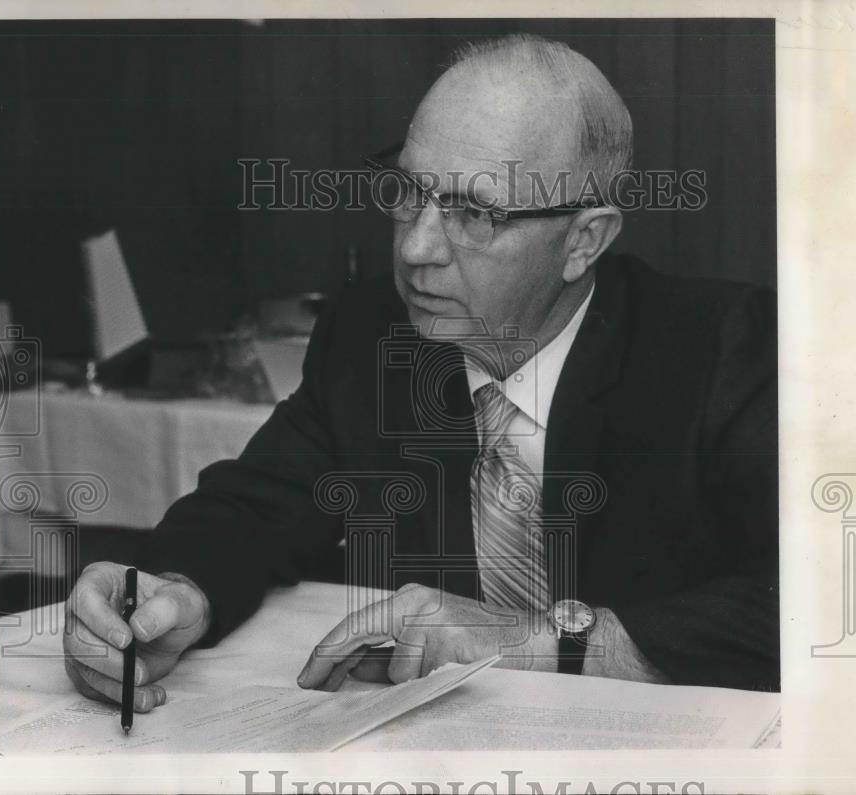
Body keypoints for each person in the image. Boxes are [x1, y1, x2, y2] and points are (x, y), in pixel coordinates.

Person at [62, 34, 779, 714]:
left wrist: (548, 643)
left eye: (474, 212)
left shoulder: (723, 351)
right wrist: (176, 593)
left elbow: (808, 599)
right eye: (409, 192)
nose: (417, 247)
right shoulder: (374, 333)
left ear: (583, 240)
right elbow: (253, 508)